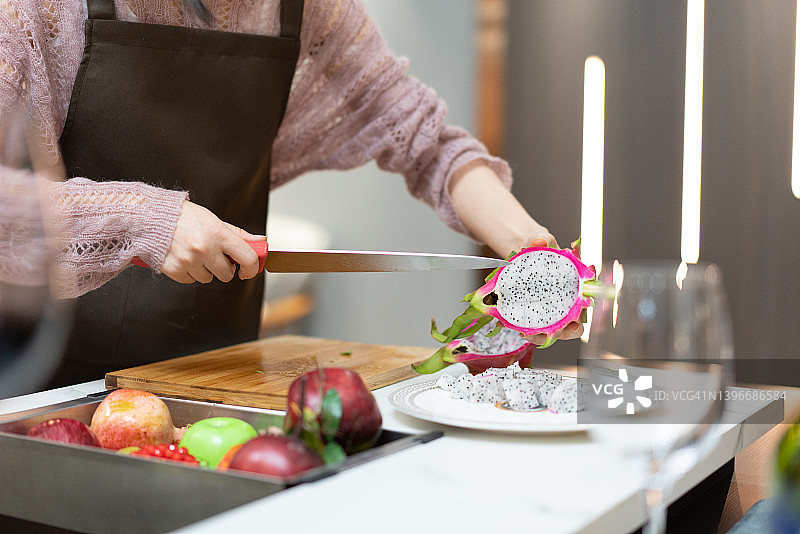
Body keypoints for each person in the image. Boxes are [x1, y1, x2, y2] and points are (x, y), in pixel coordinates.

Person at [0, 0, 582, 388]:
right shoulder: (44, 10)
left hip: (216, 377)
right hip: (43, 384)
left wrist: (531, 251)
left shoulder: (308, 10)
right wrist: (145, 222)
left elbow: (425, 140)